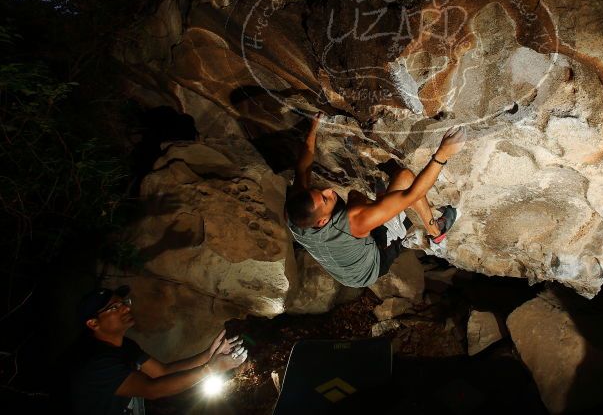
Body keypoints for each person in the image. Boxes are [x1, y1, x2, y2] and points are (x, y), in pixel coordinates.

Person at [284, 112, 466, 288]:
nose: (329, 191)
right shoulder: (354, 221)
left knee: (355, 196)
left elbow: (303, 168)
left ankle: (381, 208)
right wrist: (443, 154)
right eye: (325, 200)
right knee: (405, 178)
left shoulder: (294, 212)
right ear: (322, 220)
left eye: (319, 191)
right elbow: (412, 194)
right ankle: (436, 234)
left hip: (343, 263)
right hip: (370, 267)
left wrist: (313, 129)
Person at [68, 285, 247, 415]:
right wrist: (211, 369)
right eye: (115, 307)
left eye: (123, 302)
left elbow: (162, 372)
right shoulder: (96, 362)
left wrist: (208, 355)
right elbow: (151, 389)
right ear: (93, 323)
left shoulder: (126, 346)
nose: (127, 308)